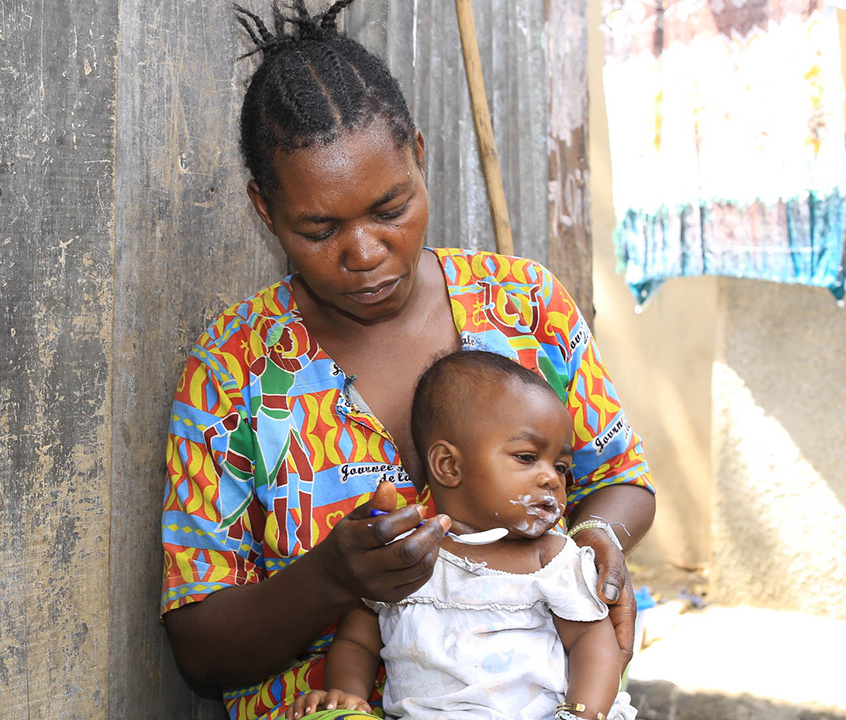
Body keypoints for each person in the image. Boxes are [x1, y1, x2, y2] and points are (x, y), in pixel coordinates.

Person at [160, 2, 655, 718]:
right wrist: (331, 577)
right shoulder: (232, 371)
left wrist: (590, 545)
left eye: (390, 208)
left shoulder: (525, 307)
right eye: (319, 227)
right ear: (265, 213)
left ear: (419, 156)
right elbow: (200, 647)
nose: (364, 252)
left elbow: (623, 481)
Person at [288, 351, 637, 720]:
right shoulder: (406, 557)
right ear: (449, 466)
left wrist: (582, 712)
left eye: (562, 466)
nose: (553, 478)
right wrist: (348, 697)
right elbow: (357, 641)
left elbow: (592, 641)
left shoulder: (550, 559)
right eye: (526, 457)